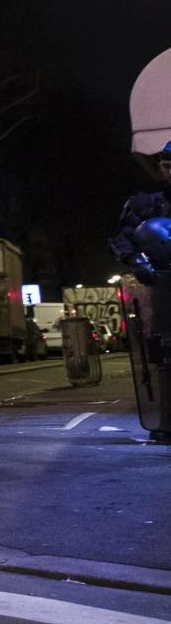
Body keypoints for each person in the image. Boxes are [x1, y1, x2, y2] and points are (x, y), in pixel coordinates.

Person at [109, 139, 171, 437]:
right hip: (162, 290)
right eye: (167, 165)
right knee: (165, 356)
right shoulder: (147, 203)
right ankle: (167, 423)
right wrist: (137, 261)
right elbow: (124, 238)